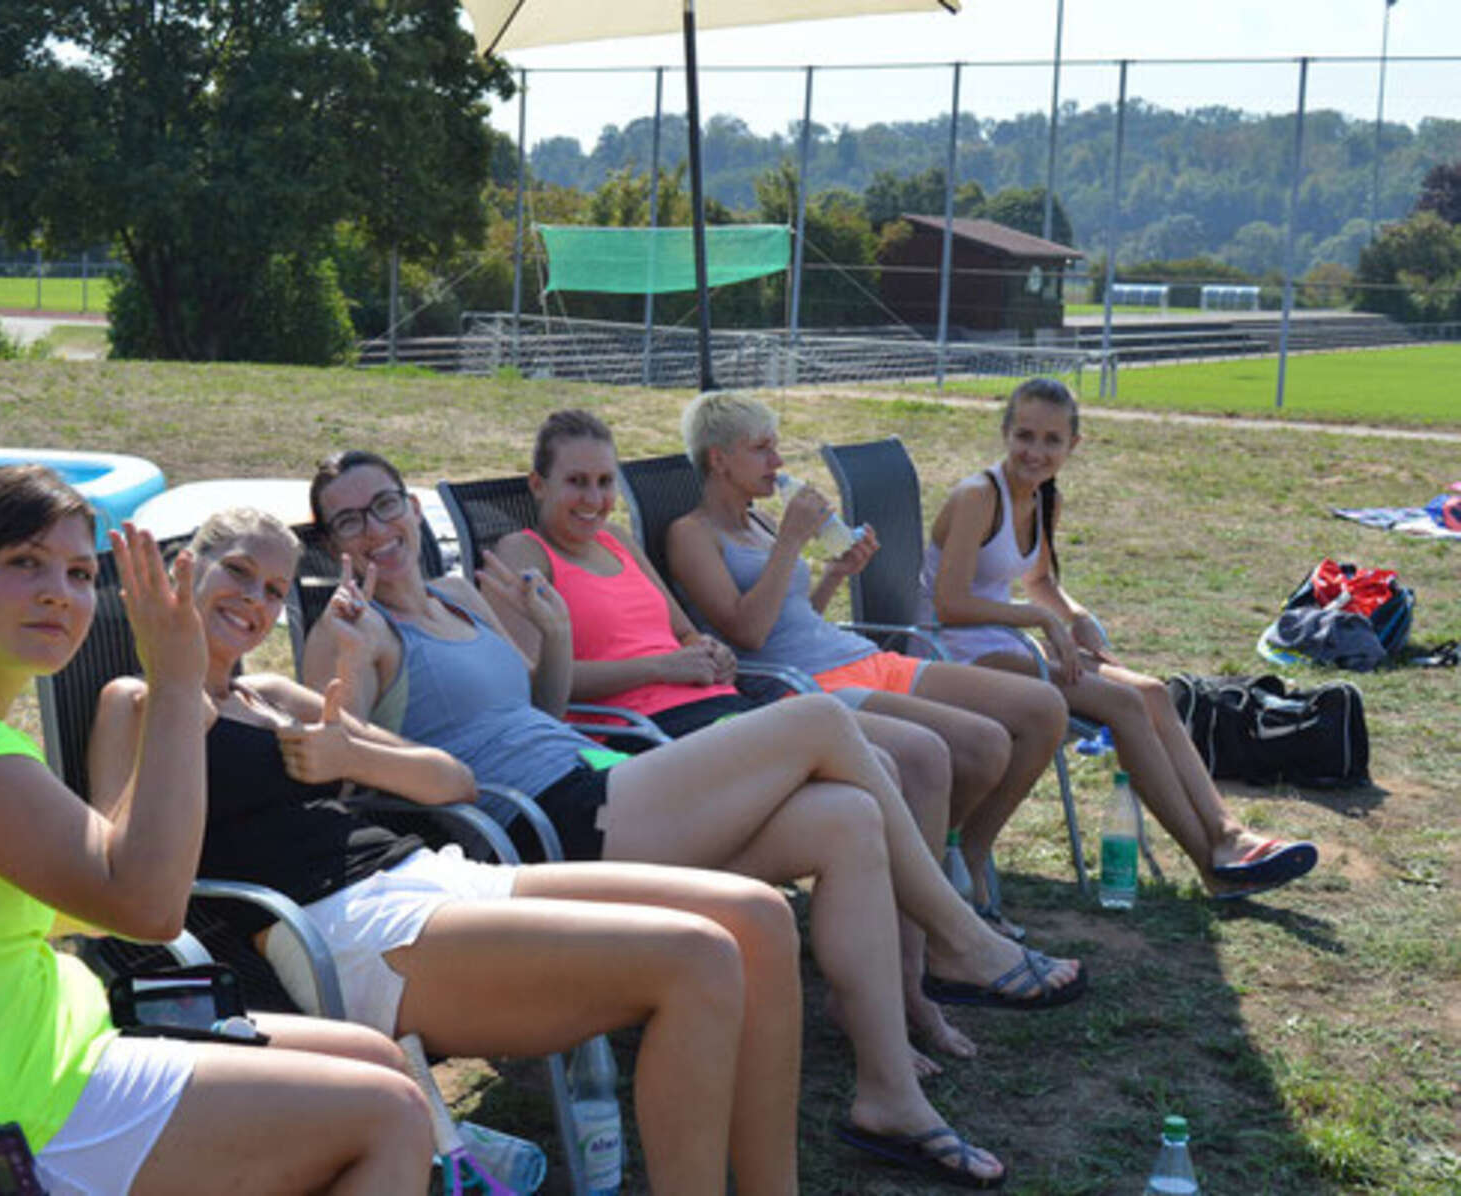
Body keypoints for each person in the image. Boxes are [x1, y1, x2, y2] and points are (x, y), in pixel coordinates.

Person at [305, 448, 1093, 1189]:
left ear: (412, 508)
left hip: (597, 774)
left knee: (846, 816)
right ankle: (959, 937)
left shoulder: (461, 593)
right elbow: (341, 775)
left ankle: (888, 1095)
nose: (377, 531)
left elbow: (540, 710)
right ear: (333, 543)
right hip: (548, 827)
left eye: (386, 506)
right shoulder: (354, 630)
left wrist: (553, 632)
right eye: (350, 521)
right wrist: (343, 657)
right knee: (819, 722)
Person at [88, 506, 806, 1196]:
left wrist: (351, 755)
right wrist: (178, 694)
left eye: (274, 590)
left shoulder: (274, 694)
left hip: (427, 875)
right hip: (344, 928)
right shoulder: (135, 701)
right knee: (697, 954)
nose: (255, 599)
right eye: (239, 572)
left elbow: (451, 780)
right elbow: (119, 870)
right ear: (187, 570)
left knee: (758, 914)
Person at [0, 465, 433, 1195]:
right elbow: (149, 910)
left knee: (375, 1060)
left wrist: (173, 707)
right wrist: (175, 687)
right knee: (389, 1117)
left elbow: (92, 895)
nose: (57, 593)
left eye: (76, 573)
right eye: (25, 563)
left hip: (53, 1052)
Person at [494, 407, 986, 1060]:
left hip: (715, 701)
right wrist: (662, 668)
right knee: (878, 769)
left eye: (605, 482)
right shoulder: (523, 555)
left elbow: (682, 630)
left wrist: (707, 651)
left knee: (912, 760)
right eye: (576, 482)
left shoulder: (618, 542)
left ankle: (907, 978)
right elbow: (538, 689)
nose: (594, 499)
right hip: (646, 736)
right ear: (538, 485)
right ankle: (938, 951)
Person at [664, 393, 1072, 939]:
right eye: (761, 449)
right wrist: (791, 541)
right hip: (805, 688)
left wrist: (835, 573)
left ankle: (956, 858)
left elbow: (796, 618)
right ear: (718, 459)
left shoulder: (760, 521)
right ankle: (934, 900)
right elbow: (748, 633)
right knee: (983, 745)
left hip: (855, 656)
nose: (777, 462)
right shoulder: (691, 534)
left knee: (1042, 708)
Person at [918, 377, 1319, 901]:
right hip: (950, 650)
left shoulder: (1044, 498)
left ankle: (1228, 834)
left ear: (1073, 445)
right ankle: (1213, 868)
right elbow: (948, 606)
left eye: (1052, 440)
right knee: (1124, 705)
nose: (1035, 452)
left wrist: (1074, 615)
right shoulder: (978, 496)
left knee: (1152, 692)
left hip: (1000, 641)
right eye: (1024, 436)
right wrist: (1039, 621)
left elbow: (1039, 580)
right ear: (1005, 433)